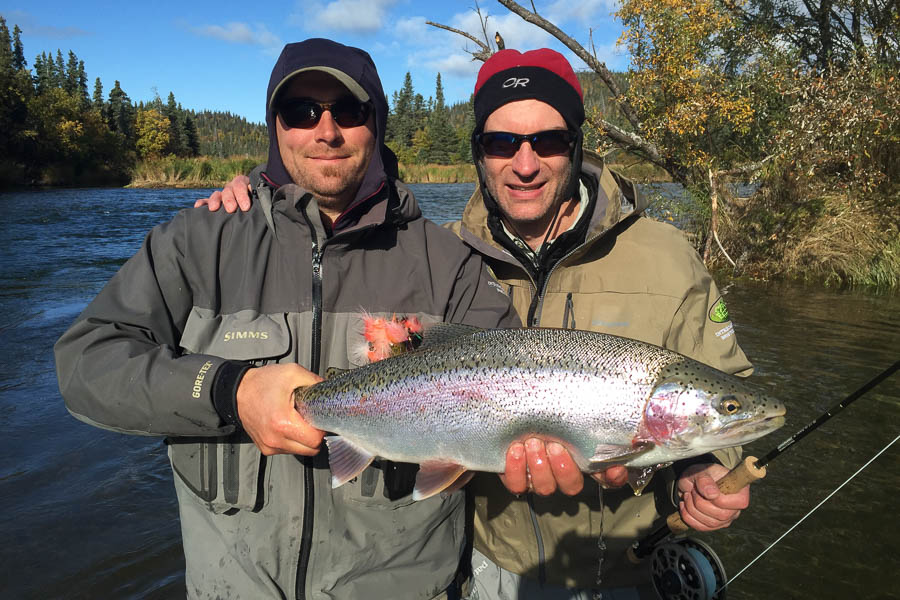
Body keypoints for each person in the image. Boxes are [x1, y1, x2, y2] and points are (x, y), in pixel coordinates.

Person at [202, 49, 756, 599]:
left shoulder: (669, 257)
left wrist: (704, 469)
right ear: (479, 153)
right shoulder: (442, 256)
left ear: (576, 145)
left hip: (633, 570)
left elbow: (727, 386)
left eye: (548, 140)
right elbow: (329, 231)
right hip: (489, 569)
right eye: (501, 143)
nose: (524, 163)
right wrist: (263, 192)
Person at [54, 38, 519, 600]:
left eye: (349, 110)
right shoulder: (200, 241)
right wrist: (229, 389)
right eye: (301, 111)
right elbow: (86, 363)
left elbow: (521, 392)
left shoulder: (448, 265)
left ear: (376, 124)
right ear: (275, 125)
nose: (326, 131)